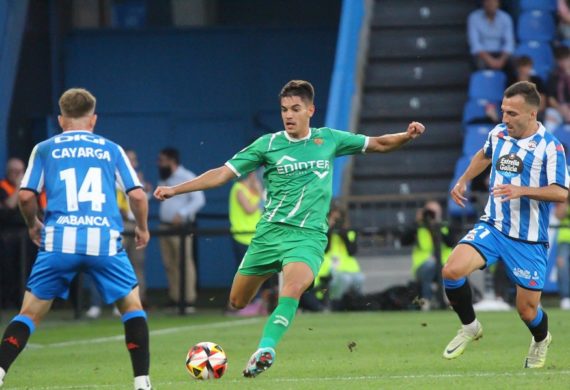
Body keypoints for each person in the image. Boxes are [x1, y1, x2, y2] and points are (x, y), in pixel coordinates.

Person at [154, 80, 425, 377]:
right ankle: (261, 321)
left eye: (296, 109)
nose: (289, 115)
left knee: (293, 287)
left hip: (307, 236)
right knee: (237, 301)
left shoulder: (329, 139)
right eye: (284, 109)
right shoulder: (267, 145)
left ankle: (266, 349)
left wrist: (407, 135)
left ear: (311, 110)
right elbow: (222, 174)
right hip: (269, 234)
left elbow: (379, 143)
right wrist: (176, 189)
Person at [0, 88, 152, 390]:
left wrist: (33, 224)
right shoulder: (111, 149)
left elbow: (27, 195)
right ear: (93, 119)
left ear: (60, 119)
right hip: (103, 241)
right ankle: (142, 383)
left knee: (29, 313)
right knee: (133, 308)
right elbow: (136, 194)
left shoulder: (45, 149)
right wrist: (143, 228)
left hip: (59, 242)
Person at [444, 81, 569, 368]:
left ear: (531, 114)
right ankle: (470, 327)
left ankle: (541, 339)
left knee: (527, 311)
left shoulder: (551, 147)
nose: (505, 119)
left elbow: (561, 192)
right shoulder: (499, 133)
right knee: (451, 270)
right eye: (503, 111)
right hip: (494, 226)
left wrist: (522, 190)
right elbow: (484, 155)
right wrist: (463, 180)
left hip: (528, 239)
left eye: (512, 114)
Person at [157, 147, 205, 312]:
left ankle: (188, 300)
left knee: (184, 263)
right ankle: (176, 298)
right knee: (169, 264)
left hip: (181, 228)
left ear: (171, 161)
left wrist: (182, 213)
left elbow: (199, 199)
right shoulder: (165, 178)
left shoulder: (186, 176)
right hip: (165, 225)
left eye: (162, 160)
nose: (159, 164)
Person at [401, 200, 453, 311]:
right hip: (423, 266)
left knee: (454, 270)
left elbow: (451, 242)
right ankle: (427, 300)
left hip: (445, 265)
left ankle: (450, 299)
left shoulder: (444, 226)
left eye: (434, 212)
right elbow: (404, 241)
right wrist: (417, 222)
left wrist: (436, 226)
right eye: (429, 212)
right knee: (430, 266)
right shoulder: (418, 228)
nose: (431, 215)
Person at [315, 201, 364, 311]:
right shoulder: (323, 231)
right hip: (329, 268)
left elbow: (352, 251)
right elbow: (324, 249)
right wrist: (330, 230)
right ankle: (335, 304)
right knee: (344, 279)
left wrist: (343, 234)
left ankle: (356, 304)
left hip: (348, 268)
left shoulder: (349, 232)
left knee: (359, 279)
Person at [467, 0, 515, 75]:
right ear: (483, 2)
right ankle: (483, 85)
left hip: (501, 53)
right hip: (483, 54)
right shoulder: (474, 17)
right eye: (488, 1)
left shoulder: (505, 17)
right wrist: (490, 60)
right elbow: (475, 43)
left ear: (498, 3)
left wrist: (502, 60)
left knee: (514, 62)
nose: (490, 4)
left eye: (493, 2)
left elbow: (509, 42)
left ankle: (510, 86)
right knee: (480, 63)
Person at [545, 47, 570, 133]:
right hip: (559, 109)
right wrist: (563, 110)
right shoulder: (554, 75)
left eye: (566, 59)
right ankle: (547, 145)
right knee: (549, 120)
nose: (563, 63)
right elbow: (551, 99)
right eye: (560, 60)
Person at [555, 198, 570, 309]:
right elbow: (558, 215)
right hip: (564, 240)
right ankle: (565, 297)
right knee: (563, 269)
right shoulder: (564, 199)